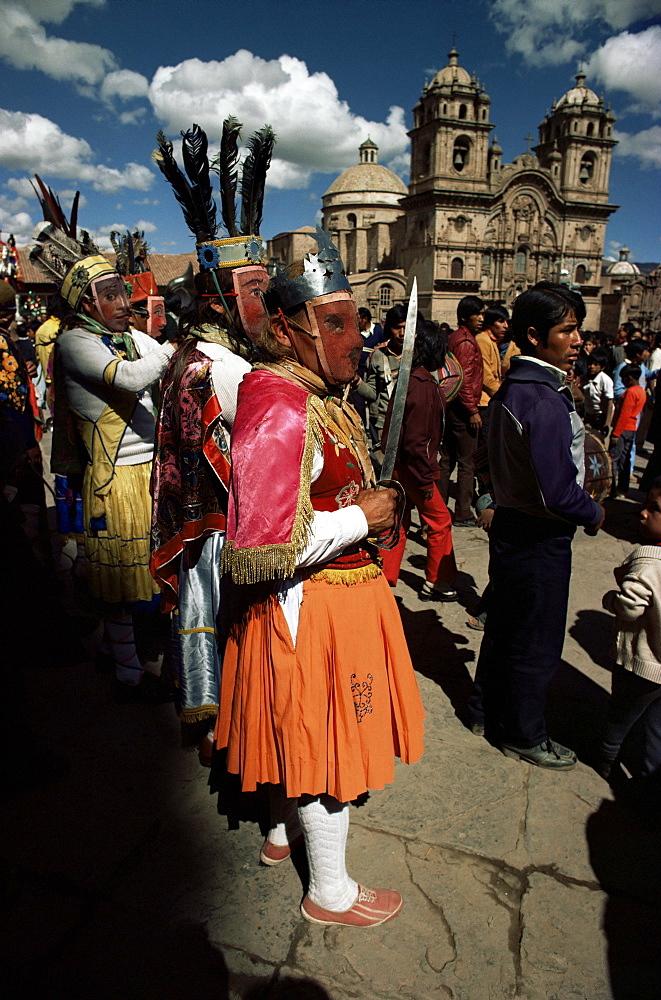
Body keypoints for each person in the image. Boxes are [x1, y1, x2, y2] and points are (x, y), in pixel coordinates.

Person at [215, 229, 424, 926]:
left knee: (295, 729)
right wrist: (365, 516)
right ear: (285, 327)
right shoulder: (279, 403)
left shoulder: (311, 390)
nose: (354, 339)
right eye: (333, 323)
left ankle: (282, 832)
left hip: (332, 595)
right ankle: (328, 892)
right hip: (311, 603)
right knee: (326, 747)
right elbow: (266, 544)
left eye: (355, 321)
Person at [150, 119, 275, 762]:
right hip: (223, 535)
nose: (269, 301)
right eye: (256, 291)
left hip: (206, 531)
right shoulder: (227, 370)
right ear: (222, 300)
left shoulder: (193, 353)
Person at [30, 203, 175, 703]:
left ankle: (121, 656)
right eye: (107, 294)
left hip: (147, 473)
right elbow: (139, 375)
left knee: (141, 575)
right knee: (117, 584)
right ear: (85, 304)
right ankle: (128, 674)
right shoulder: (74, 342)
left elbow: (155, 356)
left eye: (121, 291)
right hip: (117, 481)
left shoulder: (123, 336)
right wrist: (174, 350)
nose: (122, 302)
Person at [468, 281, 604, 769]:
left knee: (504, 626)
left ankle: (483, 708)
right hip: (539, 538)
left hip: (510, 527)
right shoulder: (543, 401)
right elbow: (558, 493)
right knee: (538, 642)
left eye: (577, 331)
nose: (577, 341)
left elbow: (484, 458)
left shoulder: (513, 392)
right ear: (533, 335)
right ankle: (525, 733)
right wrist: (594, 513)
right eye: (567, 331)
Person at [381, 319, 458, 601]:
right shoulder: (423, 384)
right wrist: (426, 479)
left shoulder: (410, 379)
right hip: (414, 469)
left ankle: (385, 577)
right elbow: (418, 441)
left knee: (398, 522)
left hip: (402, 466)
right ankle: (437, 581)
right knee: (439, 521)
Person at [597, 477, 661, 783]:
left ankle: (606, 757)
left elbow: (630, 607)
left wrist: (611, 599)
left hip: (640, 666)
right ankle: (651, 781)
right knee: (660, 728)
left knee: (620, 715)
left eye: (654, 509)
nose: (642, 513)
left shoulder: (648, 562)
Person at [438, 294, 484, 526]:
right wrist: (472, 410)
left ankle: (439, 509)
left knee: (446, 461)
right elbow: (463, 379)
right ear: (465, 316)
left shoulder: (455, 337)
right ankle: (463, 512)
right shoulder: (466, 342)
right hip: (462, 410)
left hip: (450, 406)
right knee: (467, 463)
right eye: (478, 314)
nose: (481, 318)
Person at [365, 304, 406, 447]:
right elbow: (372, 393)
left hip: (412, 423)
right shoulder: (377, 356)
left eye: (406, 327)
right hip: (384, 423)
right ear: (389, 329)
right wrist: (357, 382)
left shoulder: (419, 355)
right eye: (397, 328)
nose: (402, 333)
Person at [609, 364, 646, 497]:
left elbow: (624, 414)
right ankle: (622, 488)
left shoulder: (630, 393)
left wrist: (615, 433)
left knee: (613, 459)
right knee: (625, 459)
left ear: (629, 378)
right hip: (631, 428)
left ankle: (611, 489)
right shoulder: (641, 391)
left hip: (623, 428)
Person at [476, 305, 507, 444]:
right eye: (501, 322)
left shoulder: (492, 341)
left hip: (489, 400)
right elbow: (486, 375)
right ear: (490, 323)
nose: (505, 326)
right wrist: (502, 394)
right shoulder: (483, 340)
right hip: (484, 401)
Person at [581, 347, 614, 435]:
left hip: (601, 415)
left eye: (595, 364)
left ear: (602, 367)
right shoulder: (584, 378)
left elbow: (609, 402)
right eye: (590, 364)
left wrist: (607, 423)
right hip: (589, 414)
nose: (592, 367)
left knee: (600, 439)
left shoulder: (605, 380)